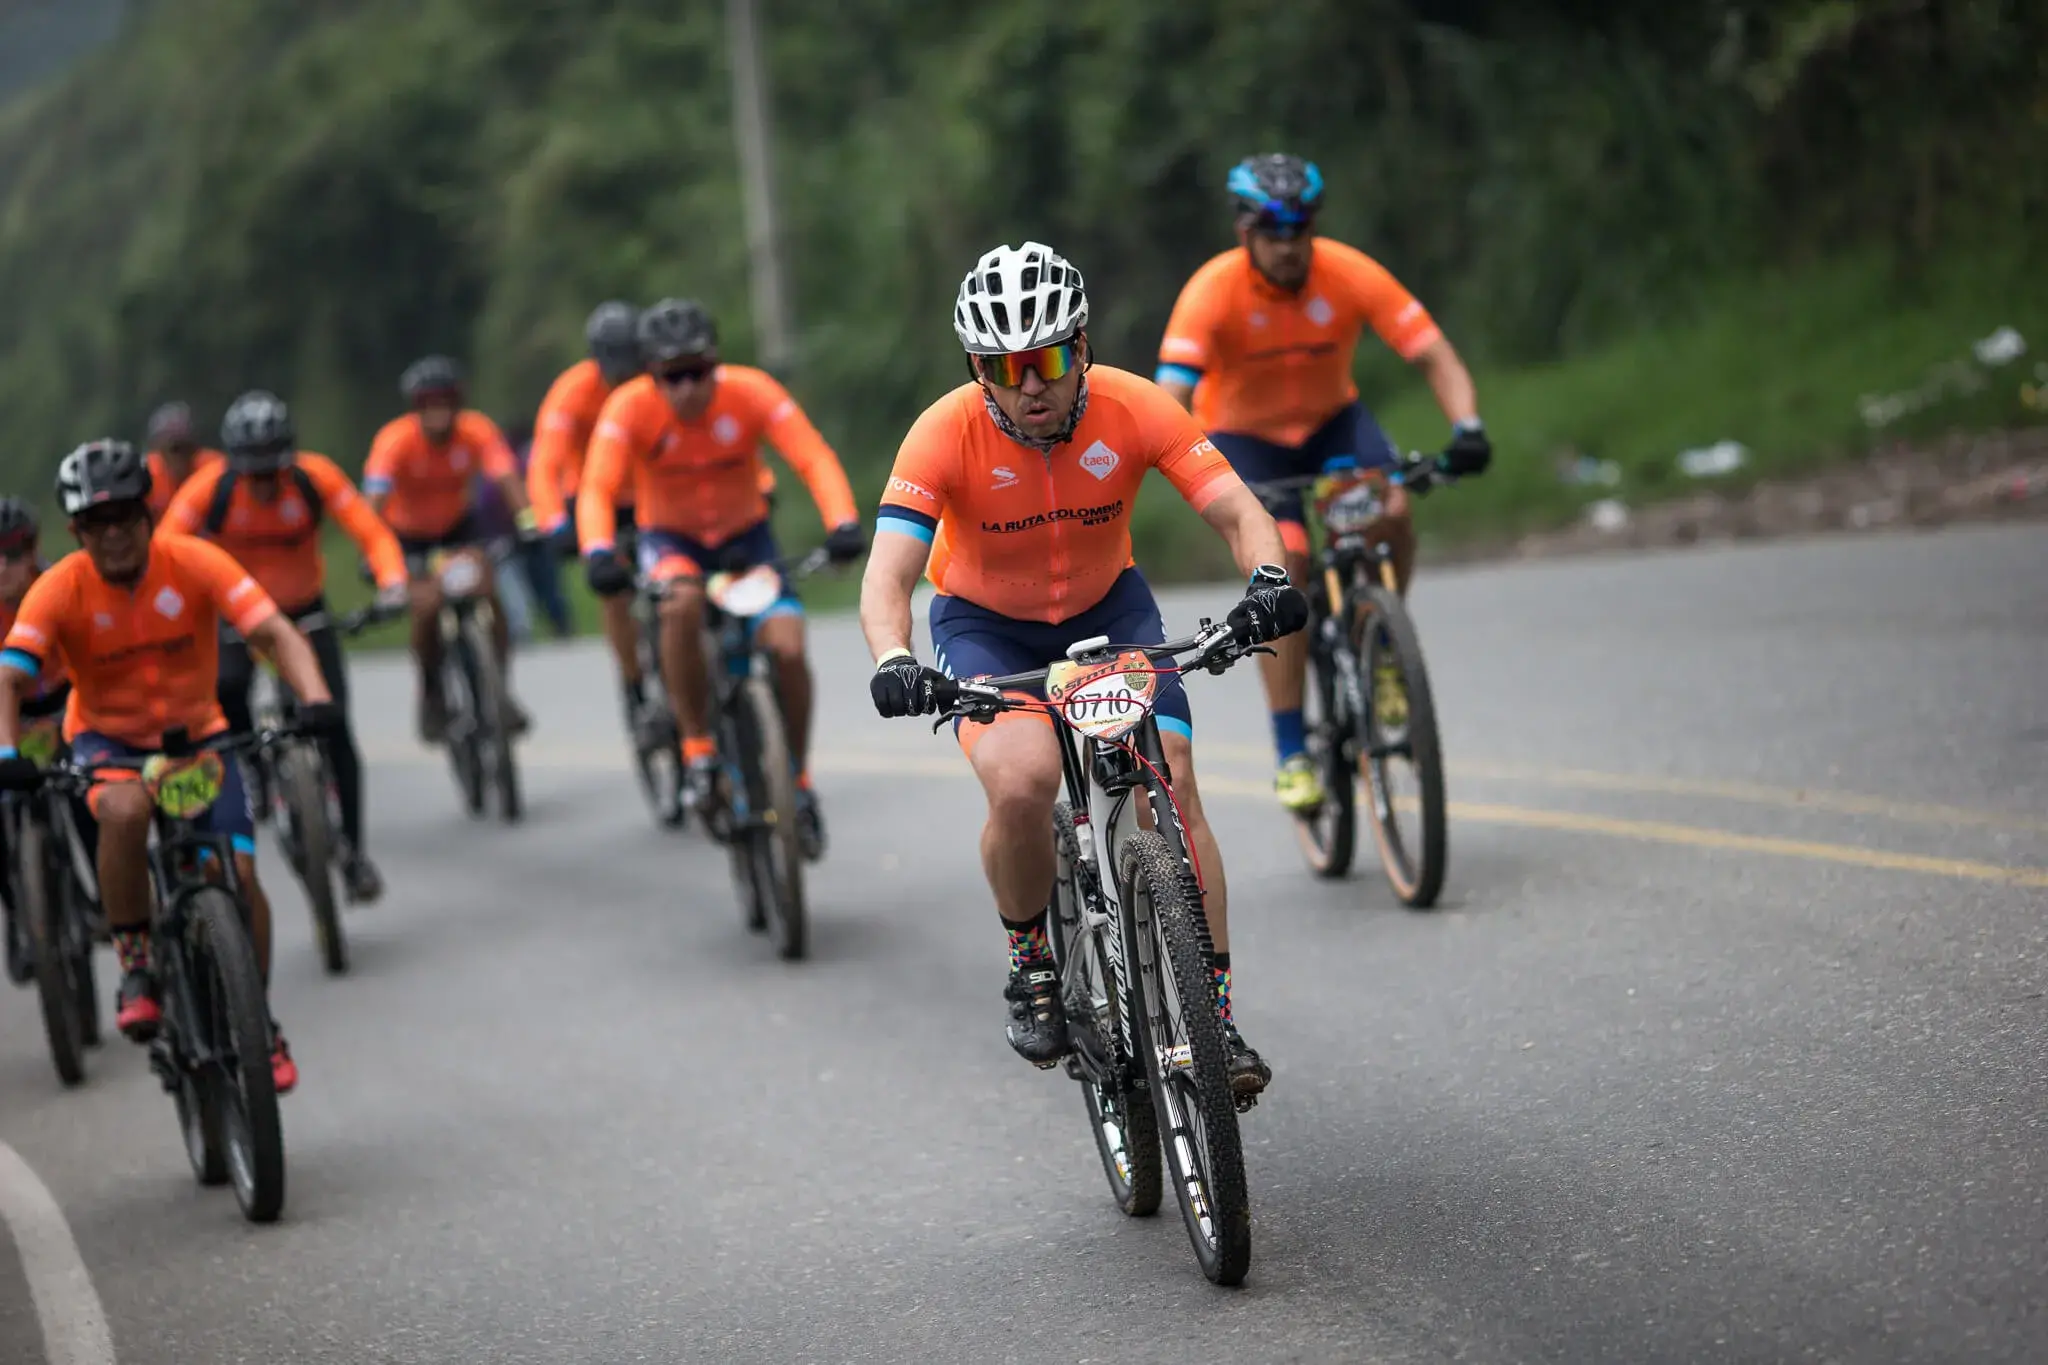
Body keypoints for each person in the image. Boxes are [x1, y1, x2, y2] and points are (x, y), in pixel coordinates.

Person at [859, 242, 1307, 1095]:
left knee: (1171, 773)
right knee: (1024, 780)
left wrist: (1269, 579)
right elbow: (887, 576)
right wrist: (894, 657)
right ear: (978, 369)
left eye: (1052, 360)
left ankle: (1213, 1012)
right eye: (1007, 366)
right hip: (986, 627)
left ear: (1084, 349)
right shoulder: (941, 432)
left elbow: (1239, 511)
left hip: (1111, 612)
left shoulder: (1137, 406)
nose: (1032, 386)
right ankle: (1032, 959)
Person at [0, 440, 342, 1094]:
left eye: (126, 516)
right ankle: (135, 960)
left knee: (239, 873)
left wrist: (317, 697)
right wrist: (7, 752)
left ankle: (257, 1022)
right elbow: (10, 677)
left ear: (148, 516)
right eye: (98, 523)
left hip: (199, 740)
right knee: (124, 811)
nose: (115, 533)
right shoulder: (58, 587)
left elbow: (272, 630)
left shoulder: (193, 560)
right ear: (76, 532)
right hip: (107, 744)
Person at [1154, 154, 1492, 813]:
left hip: (1333, 425)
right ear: (1244, 232)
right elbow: (1170, 396)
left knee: (1390, 506)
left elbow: (1432, 352)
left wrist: (1469, 425)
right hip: (1245, 442)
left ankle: (1385, 641)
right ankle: (1291, 749)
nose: (1288, 245)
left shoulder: (1347, 272)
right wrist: (1181, 464)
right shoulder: (1212, 291)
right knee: (1288, 561)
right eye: (1273, 231)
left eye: (1299, 228)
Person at [578, 299, 865, 856]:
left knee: (787, 646)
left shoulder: (752, 392)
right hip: (672, 543)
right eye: (671, 376)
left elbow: (813, 458)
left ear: (716, 364)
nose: (687, 388)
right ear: (652, 376)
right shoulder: (628, 408)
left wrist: (843, 522)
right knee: (680, 606)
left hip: (744, 543)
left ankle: (799, 784)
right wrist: (597, 550)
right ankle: (698, 748)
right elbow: (596, 488)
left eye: (698, 372)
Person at [161, 390, 409, 903]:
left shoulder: (314, 478)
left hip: (305, 612)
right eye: (254, 473)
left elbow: (371, 530)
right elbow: (165, 550)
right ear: (236, 466)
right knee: (228, 685)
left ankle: (355, 854)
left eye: (274, 469)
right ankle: (252, 764)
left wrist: (392, 583)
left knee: (334, 724)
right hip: (237, 616)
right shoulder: (212, 489)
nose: (266, 483)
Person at [363, 356, 538, 742]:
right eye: (428, 404)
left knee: (489, 594)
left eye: (445, 402)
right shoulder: (394, 441)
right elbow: (373, 503)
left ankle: (499, 690)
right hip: (408, 537)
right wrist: (370, 553)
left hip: (459, 529)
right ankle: (431, 692)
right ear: (416, 408)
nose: (438, 413)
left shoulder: (476, 430)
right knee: (425, 608)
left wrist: (527, 524)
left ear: (457, 403)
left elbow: (507, 477)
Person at [528, 302, 646, 706]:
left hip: (653, 493)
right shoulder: (572, 392)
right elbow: (545, 463)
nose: (623, 371)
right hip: (596, 498)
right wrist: (553, 523)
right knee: (614, 591)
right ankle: (634, 684)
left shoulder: (656, 382)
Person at [0, 497, 76, 987]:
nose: (1, 567)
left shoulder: (64, 588)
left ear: (34, 551)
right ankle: (19, 911)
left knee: (92, 795)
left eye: (12, 553)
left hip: (68, 704)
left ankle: (103, 902)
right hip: (9, 718)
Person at [142, 401, 225, 521]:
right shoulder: (147, 474)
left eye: (187, 448)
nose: (181, 457)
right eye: (175, 449)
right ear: (160, 450)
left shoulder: (214, 470)